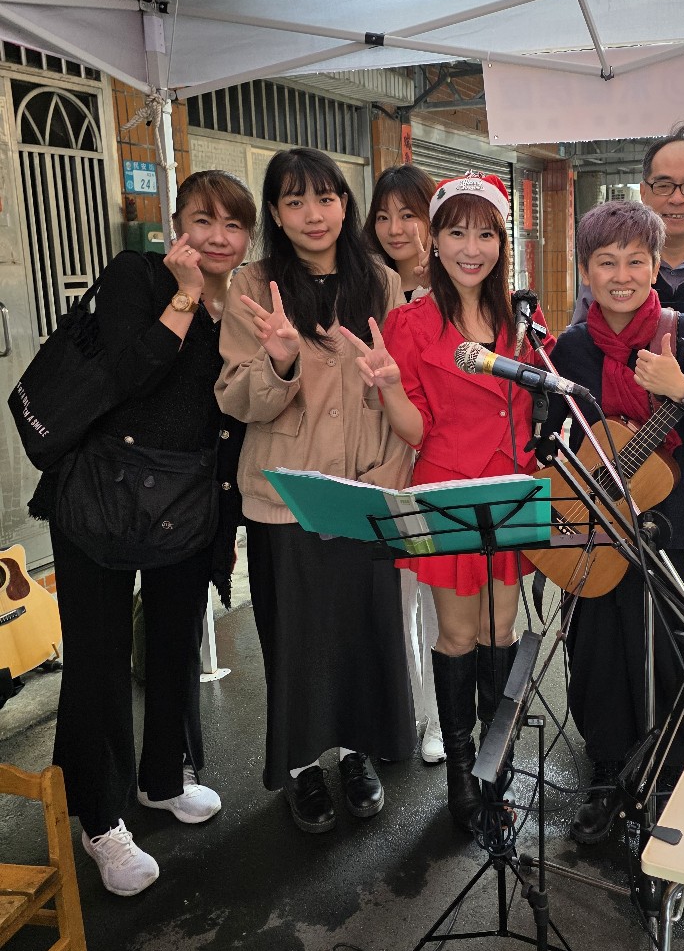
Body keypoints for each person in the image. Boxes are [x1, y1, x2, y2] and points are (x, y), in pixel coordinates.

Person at [45, 169, 256, 896]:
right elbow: (128, 376)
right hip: (101, 492)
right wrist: (186, 295)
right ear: (177, 224)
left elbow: (233, 415)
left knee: (174, 640)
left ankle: (164, 777)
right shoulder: (135, 275)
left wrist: (227, 516)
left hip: (186, 499)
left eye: (233, 225)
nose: (218, 237)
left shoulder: (245, 304)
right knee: (98, 658)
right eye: (203, 220)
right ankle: (100, 818)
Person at [342, 173, 554, 834]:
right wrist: (388, 386)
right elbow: (416, 430)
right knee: (458, 635)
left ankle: (497, 767)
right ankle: (462, 774)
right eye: (457, 232)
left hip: (510, 491)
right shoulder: (409, 323)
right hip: (446, 490)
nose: (471, 247)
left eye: (485, 233)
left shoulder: (523, 318)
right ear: (434, 240)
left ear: (502, 243)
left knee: (500, 632)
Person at [217, 148, 415, 834]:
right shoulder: (253, 284)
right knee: (297, 640)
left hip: (365, 491)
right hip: (288, 498)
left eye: (326, 197)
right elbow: (237, 400)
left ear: (344, 203)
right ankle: (303, 766)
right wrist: (278, 361)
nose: (313, 214)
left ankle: (357, 753)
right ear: (275, 213)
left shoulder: (381, 282)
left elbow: (398, 388)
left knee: (362, 634)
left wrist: (387, 482)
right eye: (295, 201)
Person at [547, 201, 684, 843]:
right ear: (585, 271)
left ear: (657, 266)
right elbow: (551, 435)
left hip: (682, 529)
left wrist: (683, 389)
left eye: (637, 261)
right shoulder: (571, 348)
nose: (622, 275)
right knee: (601, 660)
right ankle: (609, 774)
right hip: (604, 531)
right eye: (607, 262)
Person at [363, 165, 443, 764]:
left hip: (439, 466)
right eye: (384, 216)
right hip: (387, 467)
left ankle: (439, 718)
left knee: (440, 599)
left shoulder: (456, 285)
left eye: (409, 214)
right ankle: (402, 713)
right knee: (395, 601)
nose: (395, 228)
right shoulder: (369, 291)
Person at [573, 124, 684, 335]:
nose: (677, 199)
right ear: (643, 192)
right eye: (663, 186)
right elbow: (581, 344)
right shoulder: (608, 269)